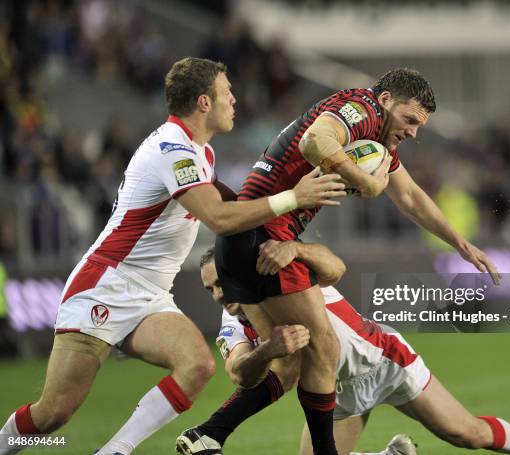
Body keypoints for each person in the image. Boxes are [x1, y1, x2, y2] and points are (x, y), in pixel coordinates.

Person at [0, 57, 345, 455]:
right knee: (53, 414)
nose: (234, 99)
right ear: (203, 102)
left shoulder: (202, 153)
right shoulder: (172, 149)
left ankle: (114, 452)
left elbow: (238, 205)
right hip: (106, 284)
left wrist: (296, 206)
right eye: (226, 92)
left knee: (198, 364)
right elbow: (218, 216)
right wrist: (292, 197)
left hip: (150, 294)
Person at [214, 67, 501, 455]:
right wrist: (363, 181)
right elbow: (315, 141)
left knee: (296, 357)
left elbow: (411, 197)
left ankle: (211, 432)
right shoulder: (360, 108)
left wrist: (461, 245)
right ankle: (211, 431)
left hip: (257, 236)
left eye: (420, 125)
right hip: (262, 233)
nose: (414, 132)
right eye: (410, 120)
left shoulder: (378, 138)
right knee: (319, 350)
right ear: (385, 101)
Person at [178, 242, 510, 455]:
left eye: (221, 283)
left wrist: (296, 248)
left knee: (467, 434)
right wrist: (266, 350)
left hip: (384, 360)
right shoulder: (235, 320)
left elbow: (333, 266)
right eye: (208, 289)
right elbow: (239, 374)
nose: (217, 295)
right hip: (335, 389)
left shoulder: (281, 278)